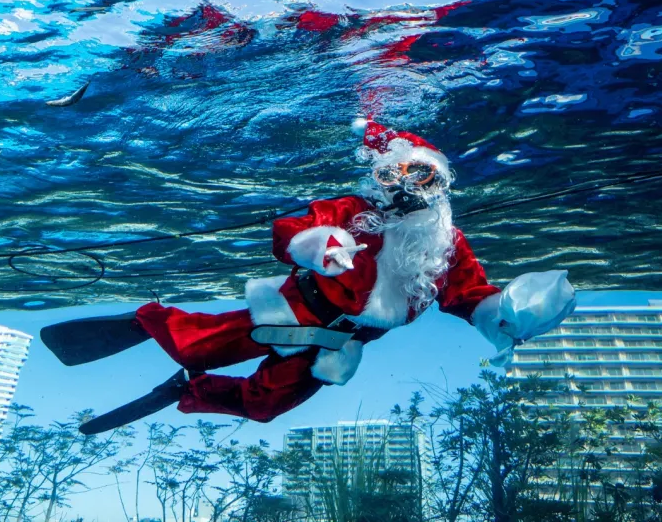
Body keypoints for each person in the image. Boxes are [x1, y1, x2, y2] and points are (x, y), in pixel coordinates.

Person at [41, 120, 575, 435]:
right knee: (198, 342)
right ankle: (147, 322)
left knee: (266, 405)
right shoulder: (351, 209)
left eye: (421, 174)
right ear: (381, 178)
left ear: (440, 180)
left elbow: (469, 294)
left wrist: (500, 315)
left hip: (344, 341)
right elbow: (293, 229)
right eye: (394, 174)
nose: (406, 186)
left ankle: (189, 390)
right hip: (295, 311)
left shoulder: (449, 243)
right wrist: (319, 248)